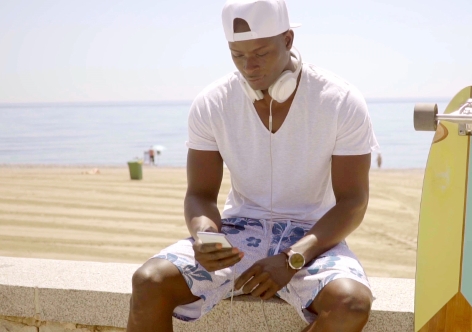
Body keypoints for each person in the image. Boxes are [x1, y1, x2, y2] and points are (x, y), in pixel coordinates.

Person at [127, 0, 379, 331]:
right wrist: (204, 234)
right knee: (149, 281)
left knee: (352, 303)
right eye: (238, 54)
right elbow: (200, 194)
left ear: (288, 40)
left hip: (313, 237)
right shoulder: (213, 102)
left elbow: (353, 202)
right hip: (239, 233)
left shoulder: (340, 101)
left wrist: (293, 258)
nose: (249, 66)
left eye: (261, 53)